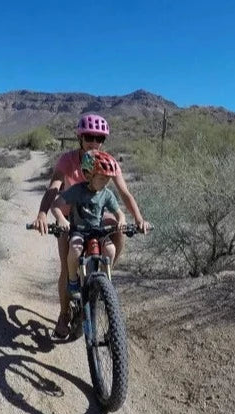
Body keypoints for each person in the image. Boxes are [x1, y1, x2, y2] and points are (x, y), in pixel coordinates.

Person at [31, 113, 150, 337]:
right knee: (67, 268)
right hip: (69, 217)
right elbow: (54, 188)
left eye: (99, 138)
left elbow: (123, 194)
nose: (94, 142)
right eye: (89, 137)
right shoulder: (68, 160)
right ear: (80, 138)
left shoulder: (107, 162)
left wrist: (138, 218)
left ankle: (104, 277)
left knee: (116, 226)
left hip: (95, 216)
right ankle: (64, 314)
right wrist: (43, 214)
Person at [50, 150, 124, 312]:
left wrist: (122, 220)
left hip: (98, 232)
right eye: (102, 177)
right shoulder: (77, 190)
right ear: (89, 175)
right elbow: (56, 204)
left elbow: (119, 212)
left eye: (109, 178)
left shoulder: (107, 194)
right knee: (75, 249)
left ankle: (105, 285)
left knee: (110, 250)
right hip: (78, 231)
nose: (106, 182)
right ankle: (73, 281)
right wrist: (62, 219)